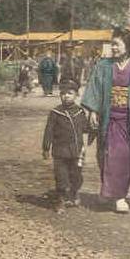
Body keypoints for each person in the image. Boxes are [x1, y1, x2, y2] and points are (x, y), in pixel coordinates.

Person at [81, 28, 130, 213]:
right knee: (106, 155)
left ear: (127, 47)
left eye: (116, 44)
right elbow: (94, 89)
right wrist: (93, 111)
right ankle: (107, 190)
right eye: (112, 44)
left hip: (128, 121)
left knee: (124, 158)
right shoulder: (103, 66)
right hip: (108, 119)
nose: (113, 47)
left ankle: (120, 196)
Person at [42, 80, 89, 213]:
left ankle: (74, 192)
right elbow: (48, 131)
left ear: (76, 95)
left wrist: (94, 125)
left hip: (76, 151)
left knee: (76, 175)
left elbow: (85, 128)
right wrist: (46, 147)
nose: (66, 96)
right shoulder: (56, 113)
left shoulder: (80, 112)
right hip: (60, 151)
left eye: (70, 93)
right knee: (61, 176)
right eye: (63, 93)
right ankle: (60, 199)